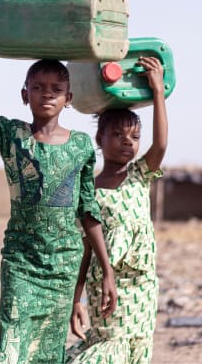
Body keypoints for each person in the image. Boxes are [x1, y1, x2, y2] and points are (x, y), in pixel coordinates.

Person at [0, 21, 118, 363]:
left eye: (56, 88)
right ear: (25, 95)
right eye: (38, 87)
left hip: (63, 267)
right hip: (21, 262)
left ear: (69, 98)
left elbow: (88, 212)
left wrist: (106, 271)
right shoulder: (11, 135)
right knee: (11, 349)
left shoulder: (81, 146)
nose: (47, 93)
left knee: (45, 355)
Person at [65, 56, 168, 363]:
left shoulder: (139, 174)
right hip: (108, 284)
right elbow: (86, 247)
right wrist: (77, 297)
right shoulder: (90, 190)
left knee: (136, 351)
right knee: (109, 349)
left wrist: (158, 92)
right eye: (118, 135)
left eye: (135, 137)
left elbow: (161, 145)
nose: (128, 142)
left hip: (144, 284)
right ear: (100, 139)